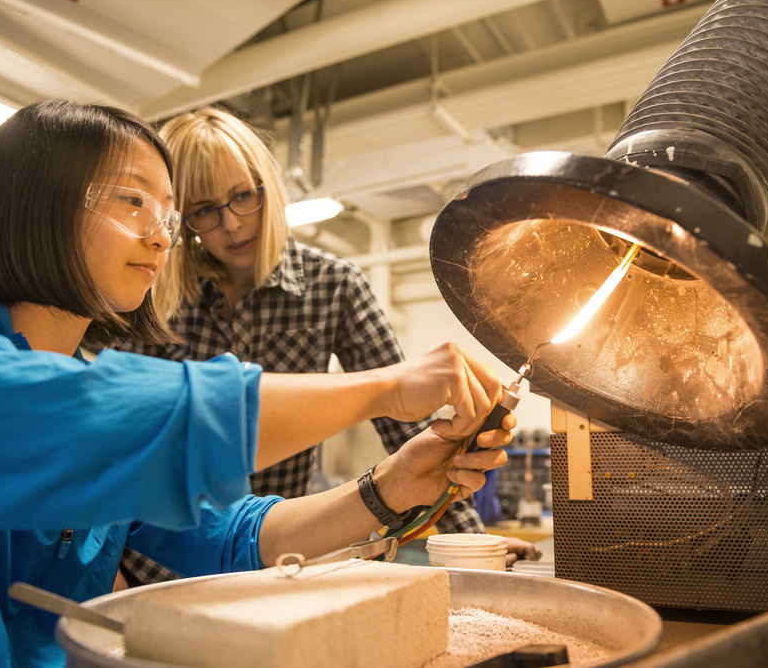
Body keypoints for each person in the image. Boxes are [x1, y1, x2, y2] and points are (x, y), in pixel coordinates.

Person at [0, 98, 514, 667]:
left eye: (167, 214)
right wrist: (383, 387)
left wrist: (392, 484)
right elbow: (77, 422)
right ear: (32, 200)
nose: (161, 235)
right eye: (132, 201)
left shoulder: (87, 389)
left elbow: (234, 534)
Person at [109, 106, 540, 585]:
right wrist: (108, 572)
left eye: (243, 198)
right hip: (155, 563)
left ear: (268, 189)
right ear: (182, 217)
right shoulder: (150, 289)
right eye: (205, 210)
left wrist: (469, 546)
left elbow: (418, 441)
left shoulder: (333, 285)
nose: (230, 224)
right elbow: (127, 445)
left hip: (272, 554)